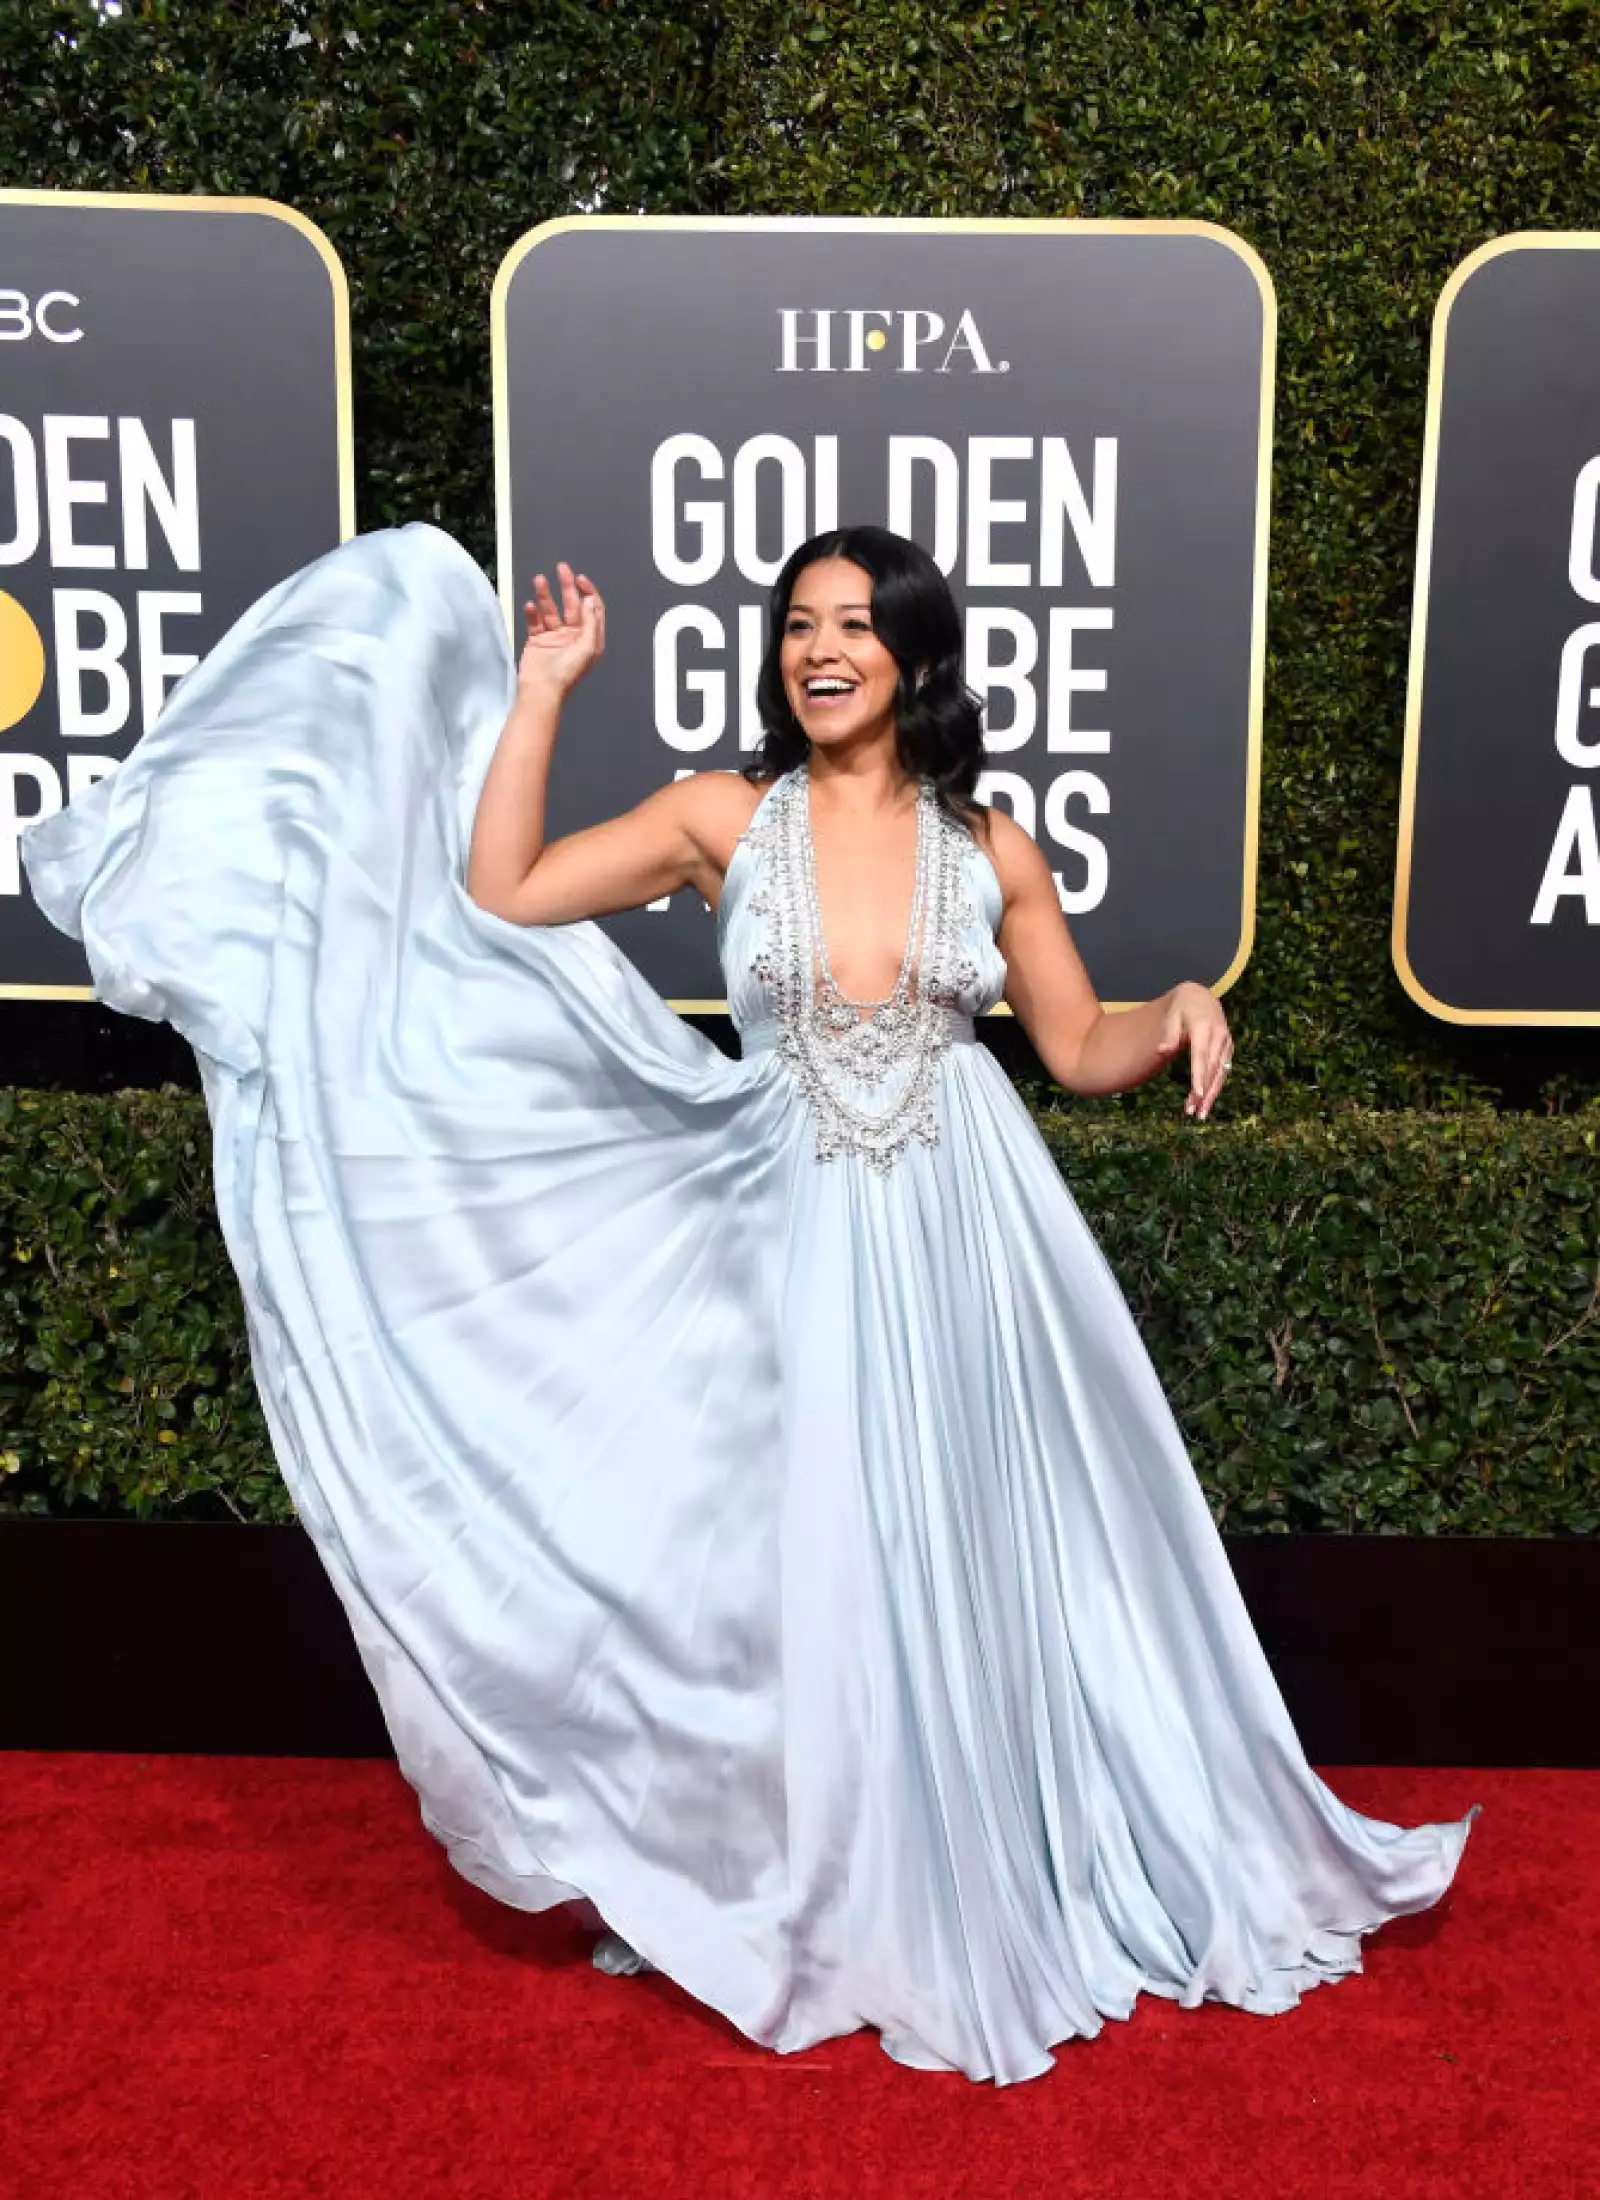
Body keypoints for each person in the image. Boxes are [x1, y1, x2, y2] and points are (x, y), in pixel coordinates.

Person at [24, 520, 1476, 2086]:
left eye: (854, 621)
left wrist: (1178, 1005)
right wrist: (546, 691)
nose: (820, 646)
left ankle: (1004, 1851)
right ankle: (785, 1875)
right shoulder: (723, 816)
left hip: (971, 1226)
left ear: (915, 652)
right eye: (797, 623)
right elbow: (504, 887)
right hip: (782, 1214)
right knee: (784, 1553)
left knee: (973, 1540)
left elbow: (1073, 1048)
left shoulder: (992, 847)